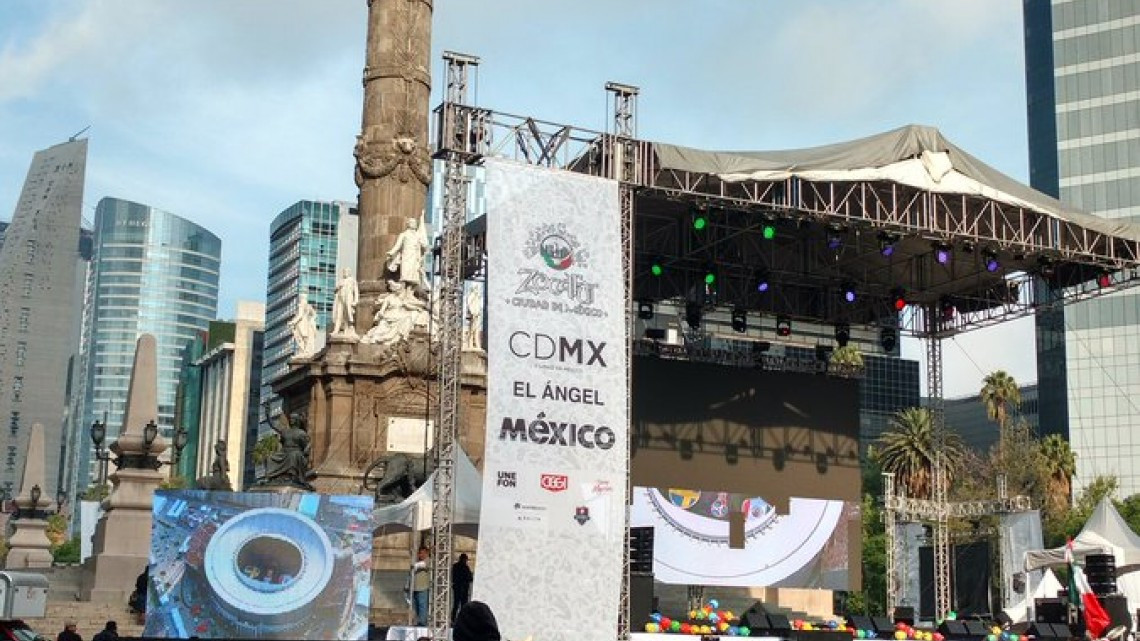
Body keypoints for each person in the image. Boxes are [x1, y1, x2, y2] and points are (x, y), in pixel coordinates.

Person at [386, 216, 429, 293]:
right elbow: (397, 245)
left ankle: (410, 292)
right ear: (408, 224)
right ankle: (403, 291)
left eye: (415, 223)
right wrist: (391, 252)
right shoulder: (403, 234)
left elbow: (424, 244)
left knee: (413, 276)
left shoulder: (417, 235)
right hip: (406, 256)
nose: (414, 224)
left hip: (415, 257)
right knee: (405, 274)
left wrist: (424, 246)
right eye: (412, 222)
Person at [331, 267, 359, 337]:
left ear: (349, 273)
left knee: (348, 314)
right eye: (344, 272)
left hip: (348, 298)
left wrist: (355, 301)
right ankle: (336, 330)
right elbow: (335, 290)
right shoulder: (341, 281)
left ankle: (349, 327)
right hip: (340, 299)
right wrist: (338, 287)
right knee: (339, 314)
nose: (344, 273)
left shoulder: (352, 280)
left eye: (346, 271)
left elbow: (356, 291)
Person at [451, 553, 474, 623]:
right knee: (463, 605)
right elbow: (470, 578)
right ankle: (462, 620)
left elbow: (453, 577)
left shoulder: (455, 566)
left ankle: (453, 619)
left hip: (457, 588)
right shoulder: (465, 567)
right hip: (463, 588)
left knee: (456, 604)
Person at [410, 547, 430, 627]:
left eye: (423, 553)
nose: (421, 555)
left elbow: (421, 565)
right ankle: (419, 622)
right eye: (420, 553)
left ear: (427, 553)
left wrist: (414, 565)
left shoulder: (428, 561)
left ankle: (422, 623)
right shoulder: (418, 561)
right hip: (415, 588)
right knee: (417, 607)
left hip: (423, 588)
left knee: (422, 606)